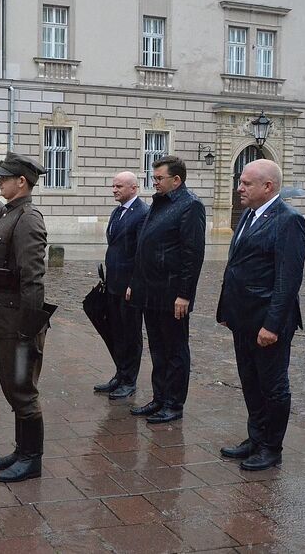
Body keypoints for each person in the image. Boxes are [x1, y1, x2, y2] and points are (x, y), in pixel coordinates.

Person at [216, 159, 305, 471]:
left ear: (267, 187)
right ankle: (255, 437)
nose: (238, 188)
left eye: (245, 183)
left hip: (268, 322)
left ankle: (271, 447)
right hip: (243, 318)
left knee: (273, 386)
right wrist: (226, 309)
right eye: (239, 182)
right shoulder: (247, 216)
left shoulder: (289, 220)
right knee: (250, 381)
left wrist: (272, 325)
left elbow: (287, 279)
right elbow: (235, 266)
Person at [0, 152, 51, 482]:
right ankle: (22, 450)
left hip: (19, 322)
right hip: (7, 319)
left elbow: (34, 279)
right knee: (11, 386)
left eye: (5, 177)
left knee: (22, 390)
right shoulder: (10, 213)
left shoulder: (28, 218)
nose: (0, 182)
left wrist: (27, 330)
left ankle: (32, 459)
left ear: (22, 182)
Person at [128, 156, 205, 424]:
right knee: (158, 349)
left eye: (159, 178)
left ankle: (174, 403)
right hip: (151, 292)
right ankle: (159, 397)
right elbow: (144, 248)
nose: (154, 182)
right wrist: (136, 285)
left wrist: (185, 294)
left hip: (172, 294)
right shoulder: (159, 203)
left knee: (175, 350)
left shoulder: (190, 206)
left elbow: (192, 254)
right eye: (154, 177)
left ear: (176, 180)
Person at [94, 171, 148, 400]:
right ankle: (120, 373)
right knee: (116, 331)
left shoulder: (143, 213)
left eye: (119, 186)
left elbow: (142, 253)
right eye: (113, 186)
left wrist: (134, 283)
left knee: (130, 333)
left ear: (133, 188)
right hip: (113, 283)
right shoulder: (118, 211)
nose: (114, 190)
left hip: (129, 287)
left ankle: (129, 380)